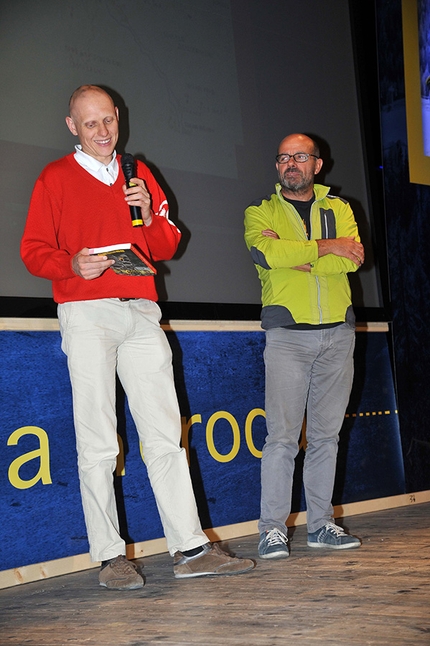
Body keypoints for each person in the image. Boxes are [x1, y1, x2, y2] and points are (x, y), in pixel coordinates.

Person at [21, 85, 254, 589]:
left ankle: (190, 548)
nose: (103, 132)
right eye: (91, 124)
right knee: (98, 439)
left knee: (165, 434)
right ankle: (109, 557)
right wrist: (70, 263)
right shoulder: (54, 177)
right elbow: (32, 249)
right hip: (86, 313)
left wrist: (148, 212)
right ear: (72, 127)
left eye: (109, 120)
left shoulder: (137, 173)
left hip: (142, 310)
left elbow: (170, 242)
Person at [244, 133, 364, 559]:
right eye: (282, 158)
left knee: (326, 437)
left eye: (299, 157)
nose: (290, 163)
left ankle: (321, 525)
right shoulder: (260, 212)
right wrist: (328, 248)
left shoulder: (341, 208)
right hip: (288, 336)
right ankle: (272, 529)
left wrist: (299, 254)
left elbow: (352, 259)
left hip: (338, 333)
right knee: (281, 438)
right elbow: (269, 255)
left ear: (318, 164)